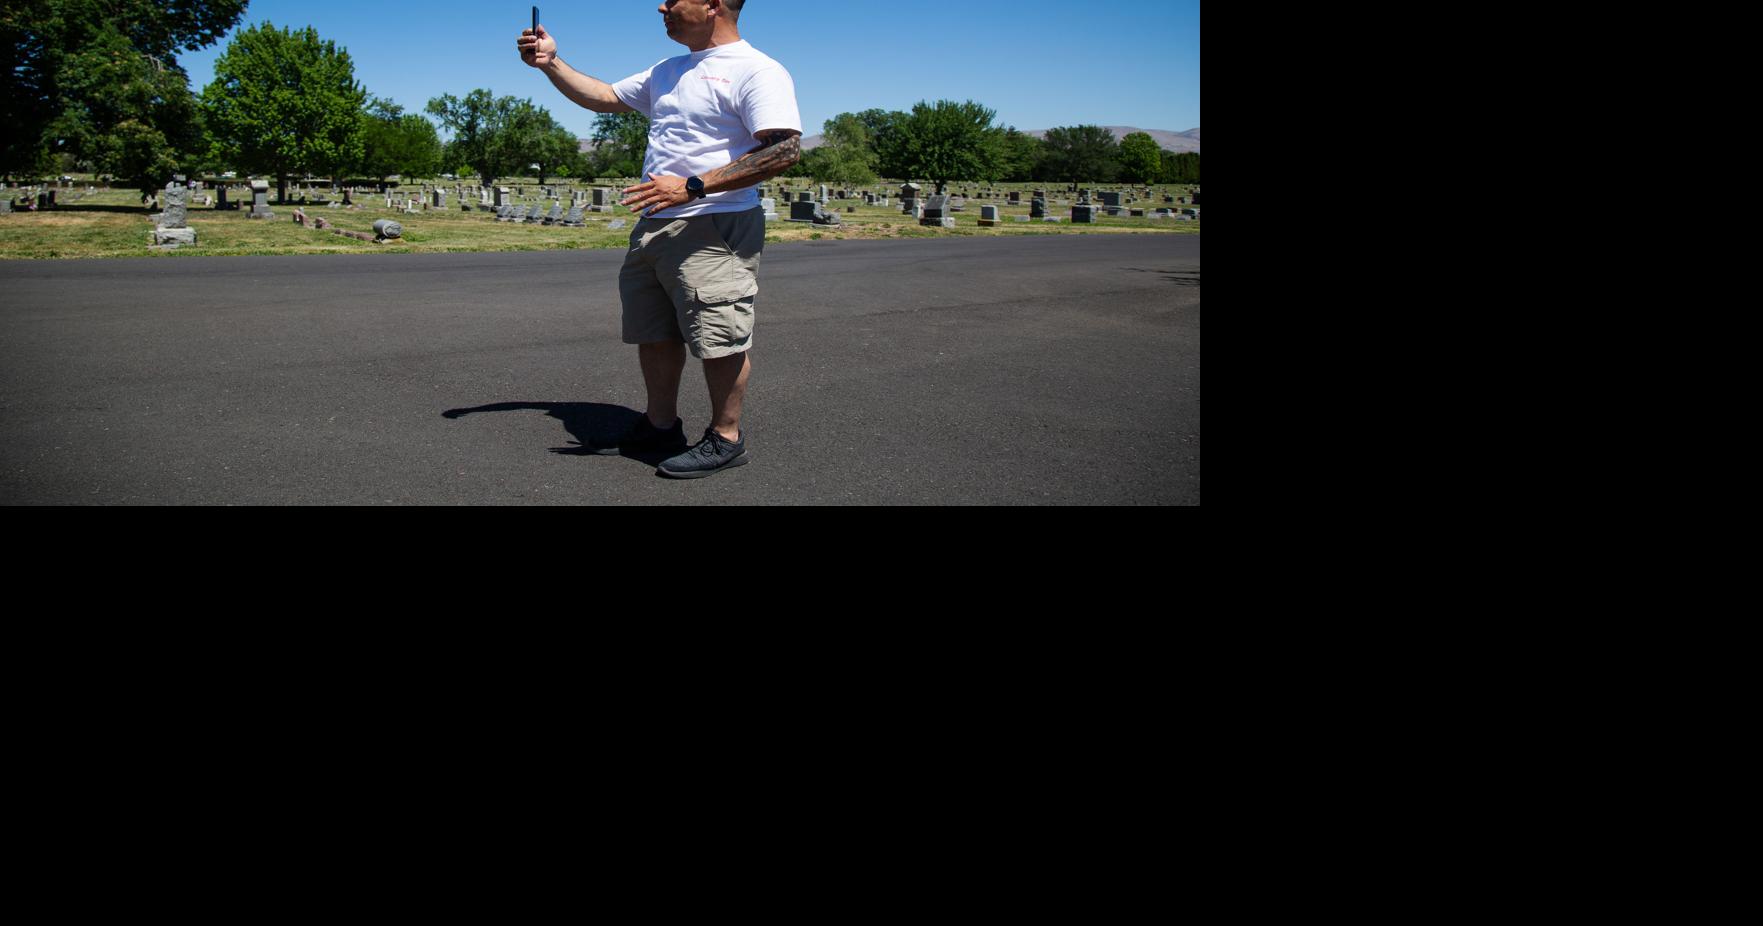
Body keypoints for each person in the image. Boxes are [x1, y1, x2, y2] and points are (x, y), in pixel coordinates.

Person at [519, 0, 801, 479]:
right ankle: (659, 425)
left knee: (719, 336)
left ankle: (726, 437)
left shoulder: (757, 70)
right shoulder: (670, 70)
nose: (662, 6)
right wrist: (551, 64)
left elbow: (785, 149)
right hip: (656, 220)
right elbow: (605, 95)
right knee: (654, 331)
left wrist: (692, 184)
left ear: (713, 5)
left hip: (715, 221)